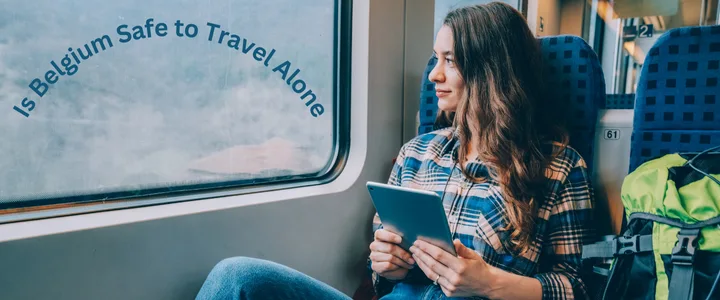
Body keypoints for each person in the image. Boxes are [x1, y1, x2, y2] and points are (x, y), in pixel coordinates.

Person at [195, 2, 595, 299]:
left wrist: (489, 282)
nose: (434, 74)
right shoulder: (417, 154)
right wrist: (385, 264)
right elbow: (382, 266)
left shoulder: (559, 168)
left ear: (490, 72)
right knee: (237, 277)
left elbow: (574, 286)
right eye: (434, 59)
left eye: (450, 61)